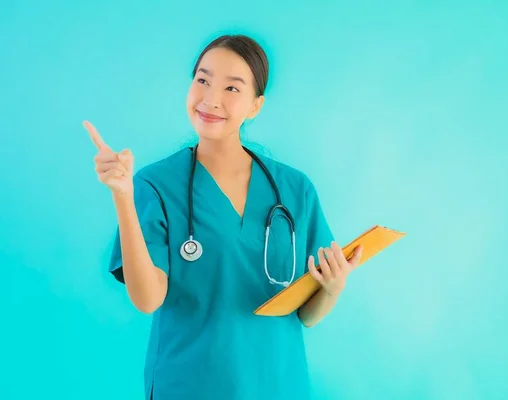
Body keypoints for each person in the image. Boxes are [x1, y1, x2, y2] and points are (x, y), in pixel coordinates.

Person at [85, 34, 363, 400]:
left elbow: (306, 315)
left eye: (232, 88)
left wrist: (332, 288)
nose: (211, 99)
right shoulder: (155, 185)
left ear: (255, 105)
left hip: (277, 384)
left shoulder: (295, 190)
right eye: (202, 80)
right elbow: (148, 299)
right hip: (188, 385)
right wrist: (123, 197)